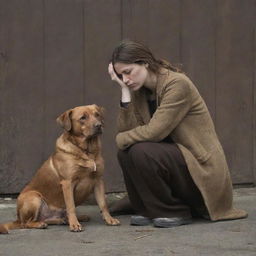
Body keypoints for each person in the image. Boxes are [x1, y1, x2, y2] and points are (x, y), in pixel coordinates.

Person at [108, 39, 247, 228]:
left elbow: (153, 132)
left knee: (141, 151)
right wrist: (124, 92)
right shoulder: (140, 91)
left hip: (201, 168)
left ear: (144, 62)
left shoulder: (177, 84)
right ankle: (150, 209)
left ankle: (173, 212)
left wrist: (120, 139)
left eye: (127, 72)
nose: (125, 79)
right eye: (120, 76)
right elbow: (126, 132)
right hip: (178, 165)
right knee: (125, 153)